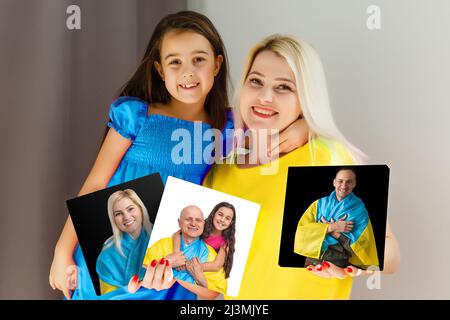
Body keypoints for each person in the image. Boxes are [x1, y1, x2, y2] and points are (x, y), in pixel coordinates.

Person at [49, 11, 307, 300]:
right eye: (175, 62)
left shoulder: (230, 127)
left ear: (217, 64)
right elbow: (96, 183)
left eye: (199, 59)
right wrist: (63, 250)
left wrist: (304, 127)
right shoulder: (136, 116)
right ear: (160, 69)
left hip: (171, 270)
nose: (188, 72)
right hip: (116, 257)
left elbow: (279, 120)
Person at [204, 34, 400, 299]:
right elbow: (210, 289)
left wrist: (354, 263)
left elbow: (391, 253)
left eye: (283, 87)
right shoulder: (220, 169)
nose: (264, 96)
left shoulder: (327, 157)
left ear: (305, 98)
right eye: (256, 81)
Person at [294, 167, 379, 269]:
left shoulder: (359, 211)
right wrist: (331, 227)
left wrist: (336, 234)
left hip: (337, 265)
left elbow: (359, 250)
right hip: (311, 261)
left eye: (349, 182)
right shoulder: (318, 205)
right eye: (340, 181)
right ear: (334, 182)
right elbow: (302, 232)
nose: (344, 185)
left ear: (354, 184)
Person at [141, 205, 227, 297]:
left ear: (203, 224)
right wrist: (166, 263)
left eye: (198, 220)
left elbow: (220, 296)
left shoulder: (212, 255)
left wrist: (200, 279)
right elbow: (138, 274)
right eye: (188, 219)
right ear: (179, 222)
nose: (193, 223)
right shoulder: (161, 245)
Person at [95, 189, 153, 295]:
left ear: (140, 208)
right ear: (113, 219)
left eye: (130, 209)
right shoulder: (106, 256)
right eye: (118, 214)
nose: (126, 217)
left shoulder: (161, 238)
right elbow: (109, 297)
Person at [172, 202, 236, 278]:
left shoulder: (226, 241)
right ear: (214, 214)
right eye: (220, 214)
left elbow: (216, 266)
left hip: (201, 268)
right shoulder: (202, 225)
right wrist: (176, 254)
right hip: (187, 257)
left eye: (227, 218)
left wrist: (187, 267)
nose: (222, 219)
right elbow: (178, 233)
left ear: (231, 223)